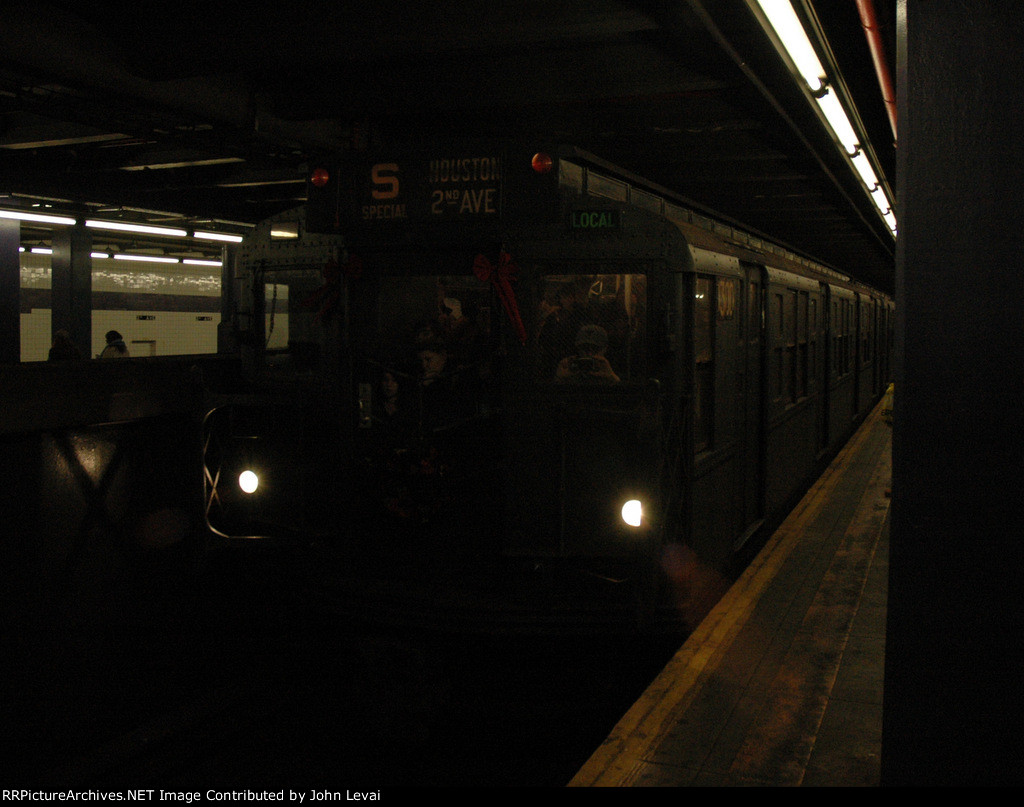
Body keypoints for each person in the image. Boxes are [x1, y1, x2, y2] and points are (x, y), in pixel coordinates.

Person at [555, 324, 620, 384]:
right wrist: (559, 379)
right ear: (578, 349)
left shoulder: (610, 371)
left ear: (605, 349)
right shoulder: (571, 372)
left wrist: (612, 378)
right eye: (585, 348)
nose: (589, 353)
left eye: (595, 349)